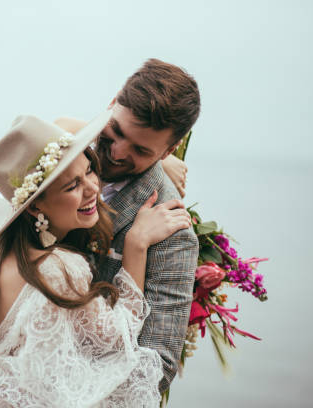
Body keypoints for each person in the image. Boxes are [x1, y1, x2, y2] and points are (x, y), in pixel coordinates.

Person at [0, 112, 191, 407]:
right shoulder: (58, 269)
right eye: (72, 186)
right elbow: (118, 337)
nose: (93, 188)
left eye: (89, 170)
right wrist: (137, 244)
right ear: (34, 208)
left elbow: (63, 126)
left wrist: (159, 159)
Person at [54, 58, 201, 393]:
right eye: (116, 131)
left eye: (141, 150)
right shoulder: (63, 151)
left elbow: (158, 368)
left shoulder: (174, 238)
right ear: (112, 103)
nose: (116, 153)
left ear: (169, 150)